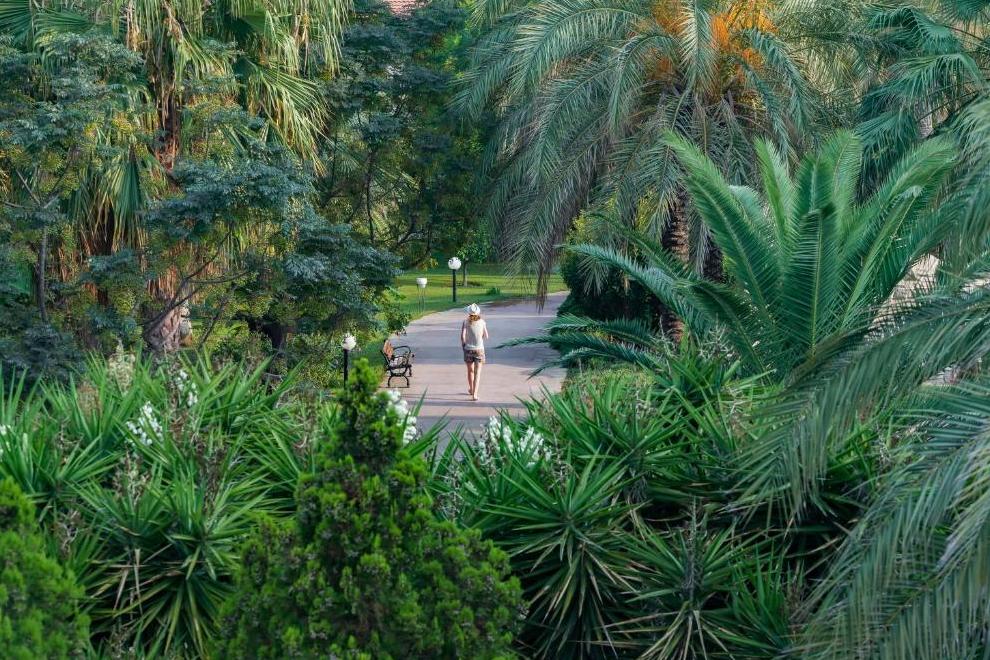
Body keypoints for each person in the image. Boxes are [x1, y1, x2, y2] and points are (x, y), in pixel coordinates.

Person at [460, 303, 489, 401]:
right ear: (478, 312)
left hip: (468, 349)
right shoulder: (482, 322)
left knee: (470, 371)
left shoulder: (465, 322)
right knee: (477, 372)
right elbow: (486, 336)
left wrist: (464, 345)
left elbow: (463, 336)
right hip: (479, 350)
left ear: (469, 313)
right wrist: (479, 337)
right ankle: (475, 394)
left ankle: (471, 389)